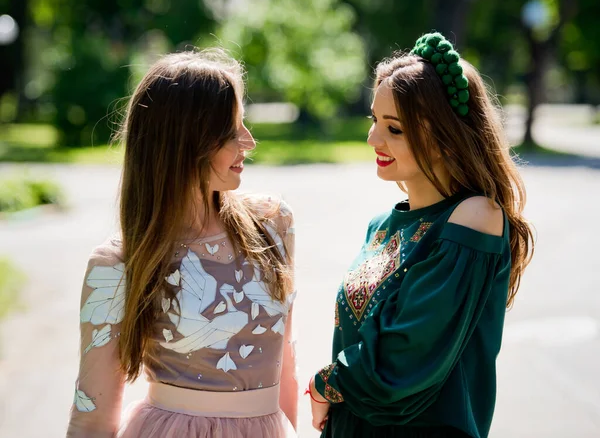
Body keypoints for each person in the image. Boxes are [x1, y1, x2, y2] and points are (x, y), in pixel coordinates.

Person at [307, 32, 535, 438]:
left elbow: (406, 359)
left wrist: (327, 384)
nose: (373, 139)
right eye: (374, 120)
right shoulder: (380, 226)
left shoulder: (473, 217)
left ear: (445, 135)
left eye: (395, 129)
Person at [66, 49, 298, 438]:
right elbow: (92, 415)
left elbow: (285, 359)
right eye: (232, 130)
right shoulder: (117, 263)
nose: (250, 141)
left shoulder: (273, 222)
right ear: (186, 140)